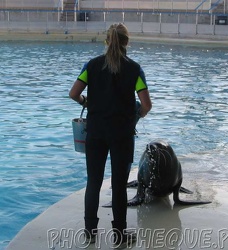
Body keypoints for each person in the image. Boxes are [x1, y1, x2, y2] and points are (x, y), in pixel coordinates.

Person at [69, 23, 152, 246]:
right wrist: (139, 115)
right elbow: (146, 104)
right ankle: (120, 234)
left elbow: (74, 93)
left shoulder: (92, 65)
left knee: (93, 182)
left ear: (107, 41)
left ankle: (89, 231)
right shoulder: (135, 69)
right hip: (122, 135)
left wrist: (86, 102)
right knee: (118, 184)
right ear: (127, 42)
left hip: (95, 133)